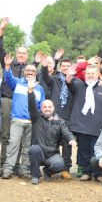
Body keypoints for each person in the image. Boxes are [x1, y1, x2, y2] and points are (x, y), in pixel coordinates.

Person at [67, 64, 102, 181]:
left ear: (97, 74)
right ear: (85, 74)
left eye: (92, 73)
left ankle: (98, 174)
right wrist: (69, 74)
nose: (90, 75)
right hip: (82, 126)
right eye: (88, 73)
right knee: (83, 151)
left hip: (99, 127)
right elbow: (68, 82)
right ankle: (86, 172)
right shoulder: (79, 85)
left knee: (97, 151)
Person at [1, 54, 44, 179]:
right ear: (24, 72)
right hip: (17, 120)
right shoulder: (18, 83)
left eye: (32, 71)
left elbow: (41, 107)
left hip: (31, 122)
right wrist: (7, 66)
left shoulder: (40, 89)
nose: (30, 72)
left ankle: (24, 170)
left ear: (36, 73)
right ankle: (8, 169)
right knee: (13, 145)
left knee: (27, 148)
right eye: (28, 70)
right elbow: (8, 78)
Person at [26, 79, 76, 185]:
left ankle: (47, 172)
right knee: (34, 149)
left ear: (53, 108)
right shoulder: (36, 118)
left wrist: (71, 139)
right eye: (45, 107)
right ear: (41, 108)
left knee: (60, 165)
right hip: (39, 152)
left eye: (49, 107)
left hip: (52, 154)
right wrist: (30, 91)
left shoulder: (60, 122)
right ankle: (35, 176)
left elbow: (66, 132)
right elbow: (31, 105)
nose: (47, 109)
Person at [0, 17, 29, 168]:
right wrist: (1, 30)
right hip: (7, 101)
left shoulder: (30, 69)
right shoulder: (7, 63)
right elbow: (0, 49)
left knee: (20, 136)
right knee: (5, 134)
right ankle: (4, 164)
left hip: (22, 104)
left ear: (27, 55)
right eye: (20, 52)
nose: (21, 54)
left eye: (24, 53)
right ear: (16, 53)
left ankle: (15, 165)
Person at [40, 50, 75, 179]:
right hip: (54, 117)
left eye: (68, 66)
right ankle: (51, 167)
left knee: (67, 144)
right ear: (59, 68)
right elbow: (45, 77)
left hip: (68, 116)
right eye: (63, 66)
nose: (66, 68)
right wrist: (45, 66)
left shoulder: (74, 81)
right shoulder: (54, 79)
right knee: (52, 142)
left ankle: (66, 168)